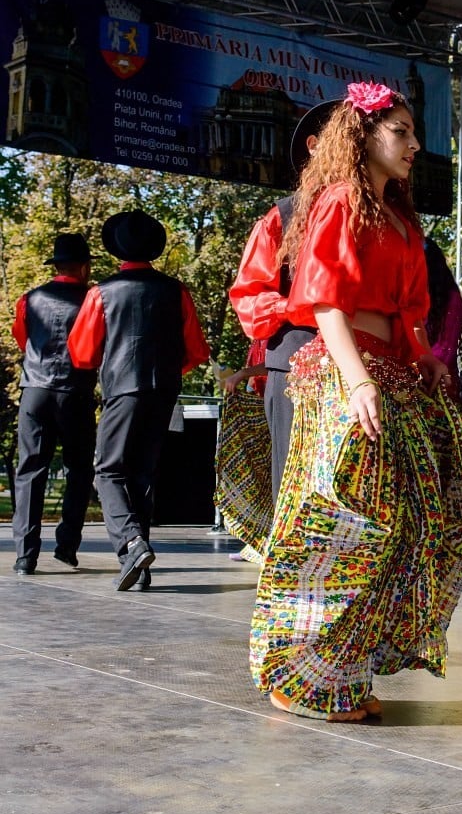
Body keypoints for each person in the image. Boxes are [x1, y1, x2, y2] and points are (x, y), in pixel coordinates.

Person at [249, 81, 462, 722]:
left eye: (414, 131)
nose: (414, 143)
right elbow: (326, 302)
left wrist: (428, 358)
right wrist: (357, 382)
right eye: (401, 131)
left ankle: (343, 666)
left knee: (420, 520)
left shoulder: (401, 220)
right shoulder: (336, 204)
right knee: (346, 523)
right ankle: (297, 671)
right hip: (345, 374)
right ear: (364, 136)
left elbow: (408, 313)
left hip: (395, 373)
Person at [68, 209, 210, 591]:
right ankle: (140, 568)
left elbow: (81, 353)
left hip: (122, 389)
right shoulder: (176, 289)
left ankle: (131, 542)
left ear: (117, 250)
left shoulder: (101, 292)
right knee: (142, 474)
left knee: (108, 468)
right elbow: (196, 351)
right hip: (164, 390)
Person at [229, 100, 337, 503]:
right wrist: (297, 306)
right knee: (296, 490)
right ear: (314, 146)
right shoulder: (282, 217)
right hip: (296, 364)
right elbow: (250, 297)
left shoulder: (385, 217)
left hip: (374, 366)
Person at [11, 233, 98, 575]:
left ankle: (25, 555)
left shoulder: (29, 299)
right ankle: (67, 546)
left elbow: (23, 339)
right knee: (79, 469)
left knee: (30, 471)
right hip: (75, 392)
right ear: (85, 266)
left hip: (35, 390)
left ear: (56, 265)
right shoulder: (94, 299)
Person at [215, 338, 271, 563]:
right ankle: (257, 540)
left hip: (275, 403)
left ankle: (266, 540)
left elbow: (278, 363)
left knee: (269, 475)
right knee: (260, 476)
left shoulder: (276, 329)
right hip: (260, 401)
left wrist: (243, 374)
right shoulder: (259, 337)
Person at [423, 236, 462, 402]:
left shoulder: (450, 300)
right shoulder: (404, 297)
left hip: (439, 389)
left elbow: (444, 351)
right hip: (408, 383)